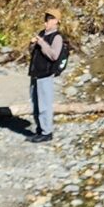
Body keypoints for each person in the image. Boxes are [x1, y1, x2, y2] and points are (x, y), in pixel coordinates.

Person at [27, 11, 71, 142]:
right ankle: (40, 129)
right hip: (35, 73)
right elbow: (31, 52)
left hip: (46, 74)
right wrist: (32, 43)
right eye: (47, 18)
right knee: (35, 103)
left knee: (45, 104)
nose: (48, 21)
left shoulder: (57, 37)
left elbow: (54, 55)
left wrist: (42, 43)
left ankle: (47, 132)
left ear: (57, 21)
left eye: (52, 19)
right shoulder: (41, 33)